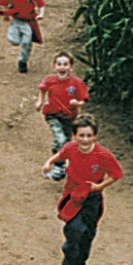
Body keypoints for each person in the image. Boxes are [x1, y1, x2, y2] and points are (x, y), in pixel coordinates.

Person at [41, 116, 123, 265]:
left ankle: (80, 261)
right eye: (81, 136)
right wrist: (48, 163)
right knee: (73, 227)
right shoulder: (70, 148)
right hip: (72, 195)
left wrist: (99, 187)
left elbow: (116, 174)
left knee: (88, 232)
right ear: (74, 135)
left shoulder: (103, 155)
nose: (85, 140)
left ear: (95, 136)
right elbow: (60, 155)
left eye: (89, 136)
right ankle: (70, 250)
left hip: (92, 198)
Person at [37, 52, 89, 181]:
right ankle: (58, 165)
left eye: (65, 64)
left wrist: (77, 103)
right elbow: (42, 89)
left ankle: (58, 161)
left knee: (65, 142)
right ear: (54, 67)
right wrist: (40, 101)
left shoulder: (77, 83)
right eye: (59, 64)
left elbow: (84, 101)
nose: (62, 67)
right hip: (53, 115)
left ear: (71, 68)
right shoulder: (50, 80)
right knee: (61, 139)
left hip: (69, 118)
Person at [0, 0, 44, 74]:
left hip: (28, 21)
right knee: (14, 40)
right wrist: (6, 14)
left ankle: (23, 61)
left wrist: (41, 14)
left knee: (26, 42)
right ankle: (13, 33)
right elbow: (4, 1)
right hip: (16, 20)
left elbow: (41, 4)